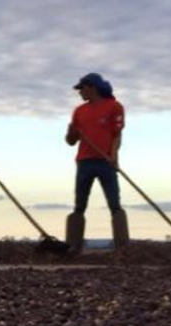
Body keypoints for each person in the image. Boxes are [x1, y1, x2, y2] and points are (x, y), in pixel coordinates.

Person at [65, 72, 127, 253]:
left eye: (81, 88)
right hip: (84, 162)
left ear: (91, 87)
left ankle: (123, 248)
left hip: (105, 162)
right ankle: (73, 246)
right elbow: (70, 141)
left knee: (114, 203)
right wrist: (71, 132)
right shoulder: (79, 111)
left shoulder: (114, 107)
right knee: (79, 205)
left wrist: (113, 155)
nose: (79, 92)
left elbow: (117, 135)